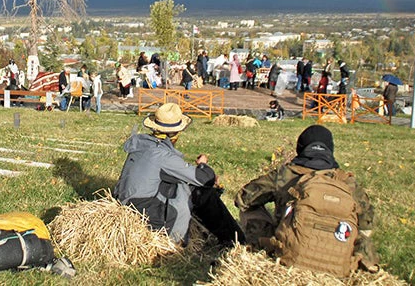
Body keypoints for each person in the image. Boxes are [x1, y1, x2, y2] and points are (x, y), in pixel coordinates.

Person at [234, 125, 379, 272]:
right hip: (338, 262)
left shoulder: (285, 174)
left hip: (289, 257)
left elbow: (243, 199)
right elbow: (368, 222)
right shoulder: (347, 182)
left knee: (250, 209)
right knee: (362, 229)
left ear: (300, 147)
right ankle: (358, 262)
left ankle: (260, 252)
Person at [113, 103, 245, 246]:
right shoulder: (161, 154)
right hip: (147, 212)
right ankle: (236, 241)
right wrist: (203, 165)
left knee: (188, 185)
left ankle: (212, 233)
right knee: (204, 193)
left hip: (130, 203)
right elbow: (204, 178)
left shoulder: (144, 144)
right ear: (175, 133)